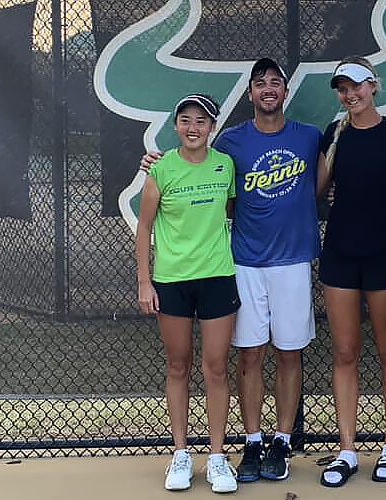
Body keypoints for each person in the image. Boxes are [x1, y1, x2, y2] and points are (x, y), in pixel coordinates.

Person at [141, 58, 324, 483]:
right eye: (259, 83)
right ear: (250, 93)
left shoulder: (309, 136)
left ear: (285, 91)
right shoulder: (231, 145)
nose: (267, 89)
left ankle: (282, 441)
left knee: (289, 352)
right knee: (249, 354)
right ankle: (252, 441)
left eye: (275, 82)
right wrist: (153, 163)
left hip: (293, 260)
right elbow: (204, 187)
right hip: (243, 262)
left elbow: (327, 172)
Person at [316, 56, 386, 488]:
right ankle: (347, 451)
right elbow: (317, 189)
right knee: (344, 353)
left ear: (373, 85)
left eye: (356, 85)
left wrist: (381, 214)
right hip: (339, 255)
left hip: (382, 256)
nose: (350, 94)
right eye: (343, 88)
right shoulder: (334, 134)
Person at [135, 94, 240, 493]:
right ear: (176, 125)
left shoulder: (225, 165)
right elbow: (145, 227)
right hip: (172, 281)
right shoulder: (160, 169)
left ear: (212, 127)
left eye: (201, 121)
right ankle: (180, 453)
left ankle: (216, 456)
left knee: (216, 368)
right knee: (179, 366)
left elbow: (230, 211)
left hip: (217, 277)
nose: (192, 128)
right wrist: (145, 281)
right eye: (185, 120)